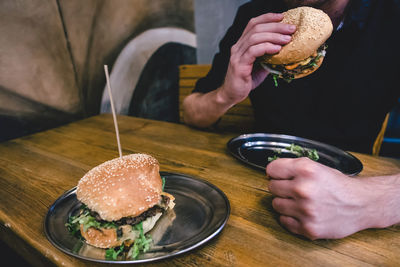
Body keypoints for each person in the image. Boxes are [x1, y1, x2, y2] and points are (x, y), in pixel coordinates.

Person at [182, 0, 400, 239]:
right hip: (247, 193)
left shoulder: (390, 14)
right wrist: (226, 95)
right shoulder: (255, 14)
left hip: (354, 207)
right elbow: (191, 110)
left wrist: (369, 200)